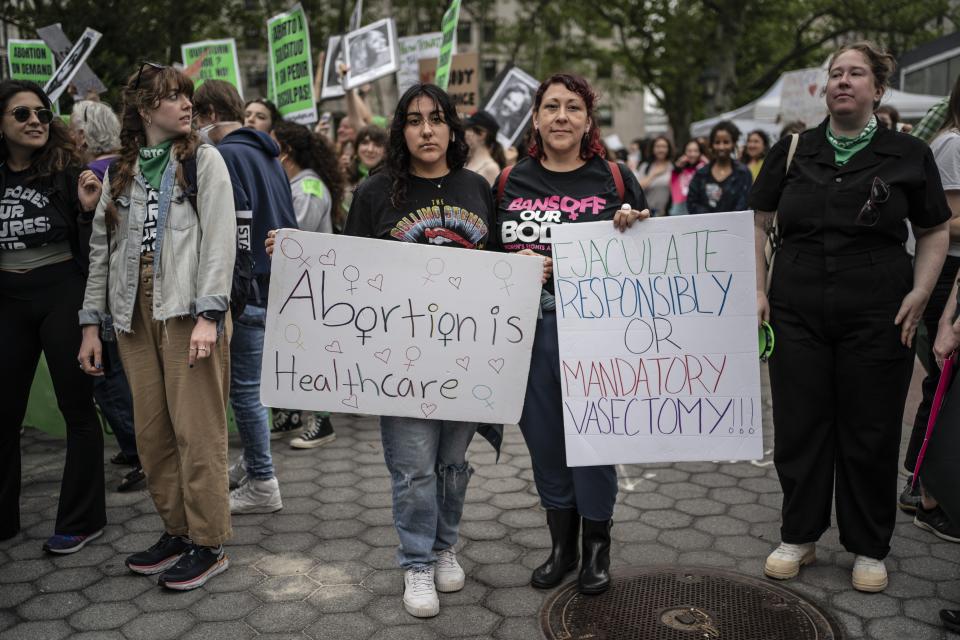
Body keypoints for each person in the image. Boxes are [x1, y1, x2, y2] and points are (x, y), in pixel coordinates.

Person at [750, 41, 950, 593]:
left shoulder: (909, 155)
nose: (842, 81)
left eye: (855, 73)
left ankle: (868, 546)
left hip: (878, 310)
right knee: (800, 425)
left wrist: (921, 291)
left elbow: (934, 230)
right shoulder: (794, 150)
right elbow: (759, 220)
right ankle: (800, 535)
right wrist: (757, 289)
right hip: (796, 309)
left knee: (870, 428)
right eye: (835, 73)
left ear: (877, 89)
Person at [78, 63, 237, 588]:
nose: (185, 104)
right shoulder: (120, 172)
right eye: (172, 97)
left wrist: (210, 314)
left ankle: (209, 542)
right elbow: (101, 251)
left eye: (186, 95)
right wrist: (89, 326)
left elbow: (218, 240)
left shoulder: (204, 161)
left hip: (188, 306)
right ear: (146, 110)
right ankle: (177, 531)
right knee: (151, 436)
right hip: (132, 313)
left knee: (197, 432)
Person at [344, 83, 498, 619]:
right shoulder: (375, 192)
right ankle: (415, 562)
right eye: (414, 120)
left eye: (436, 119)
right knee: (413, 469)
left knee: (453, 464)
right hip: (400, 362)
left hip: (466, 359)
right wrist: (294, 254)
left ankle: (443, 545)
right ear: (400, 131)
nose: (426, 130)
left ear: (452, 127)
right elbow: (347, 272)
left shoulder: (477, 187)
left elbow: (500, 270)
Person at [493, 72, 648, 596]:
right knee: (544, 442)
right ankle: (561, 547)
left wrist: (638, 222)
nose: (562, 116)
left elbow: (653, 254)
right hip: (529, 334)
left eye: (573, 108)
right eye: (551, 107)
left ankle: (596, 549)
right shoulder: (509, 181)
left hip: (596, 333)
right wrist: (516, 269)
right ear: (535, 118)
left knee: (594, 440)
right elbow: (488, 257)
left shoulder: (616, 178)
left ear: (588, 121)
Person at [0, 79, 106, 553]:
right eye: (22, 114)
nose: (35, 121)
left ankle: (81, 520)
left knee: (77, 410)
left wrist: (87, 212)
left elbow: (94, 250)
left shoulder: (68, 172)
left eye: (42, 113)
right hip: (8, 303)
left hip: (61, 295)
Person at [192, 79, 299, 515]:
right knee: (256, 389)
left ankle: (262, 481)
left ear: (210, 115)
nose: (193, 126)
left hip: (249, 287)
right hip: (274, 283)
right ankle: (253, 463)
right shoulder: (266, 154)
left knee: (247, 393)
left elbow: (232, 230)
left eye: (196, 117)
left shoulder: (225, 155)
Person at [69, 99, 144, 492]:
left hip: (108, 292)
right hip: (127, 290)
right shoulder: (124, 167)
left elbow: (93, 247)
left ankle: (140, 451)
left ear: (81, 135)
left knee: (107, 377)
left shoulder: (91, 174)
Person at [900, 74, 960, 538]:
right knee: (943, 382)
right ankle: (924, 487)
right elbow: (944, 222)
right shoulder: (952, 146)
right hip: (944, 276)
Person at [269, 120, 344, 448]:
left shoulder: (309, 188)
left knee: (315, 355)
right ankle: (292, 415)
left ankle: (323, 422)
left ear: (285, 152)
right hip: (301, 286)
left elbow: (299, 237)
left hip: (315, 286)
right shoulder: (296, 184)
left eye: (271, 145)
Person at [686, 120, 753, 214]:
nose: (721, 147)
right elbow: (692, 203)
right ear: (712, 145)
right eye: (717, 142)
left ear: (734, 143)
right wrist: (712, 220)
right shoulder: (701, 174)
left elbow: (744, 203)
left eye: (726, 142)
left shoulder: (743, 173)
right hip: (706, 227)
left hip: (735, 226)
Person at [464, 110, 505, 185]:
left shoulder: (491, 168)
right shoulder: (467, 160)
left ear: (482, 135)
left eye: (469, 129)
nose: (466, 133)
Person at [669, 139, 707, 216]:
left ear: (700, 153)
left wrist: (706, 162)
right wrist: (677, 166)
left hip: (699, 210)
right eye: (689, 151)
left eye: (696, 151)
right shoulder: (680, 169)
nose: (692, 154)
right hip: (680, 210)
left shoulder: (704, 168)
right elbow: (672, 184)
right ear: (684, 152)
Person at [637, 135, 673, 216]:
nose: (661, 150)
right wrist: (653, 174)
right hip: (647, 214)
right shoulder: (645, 167)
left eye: (664, 147)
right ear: (652, 149)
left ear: (668, 149)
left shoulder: (673, 167)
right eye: (658, 146)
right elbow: (638, 188)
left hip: (667, 214)